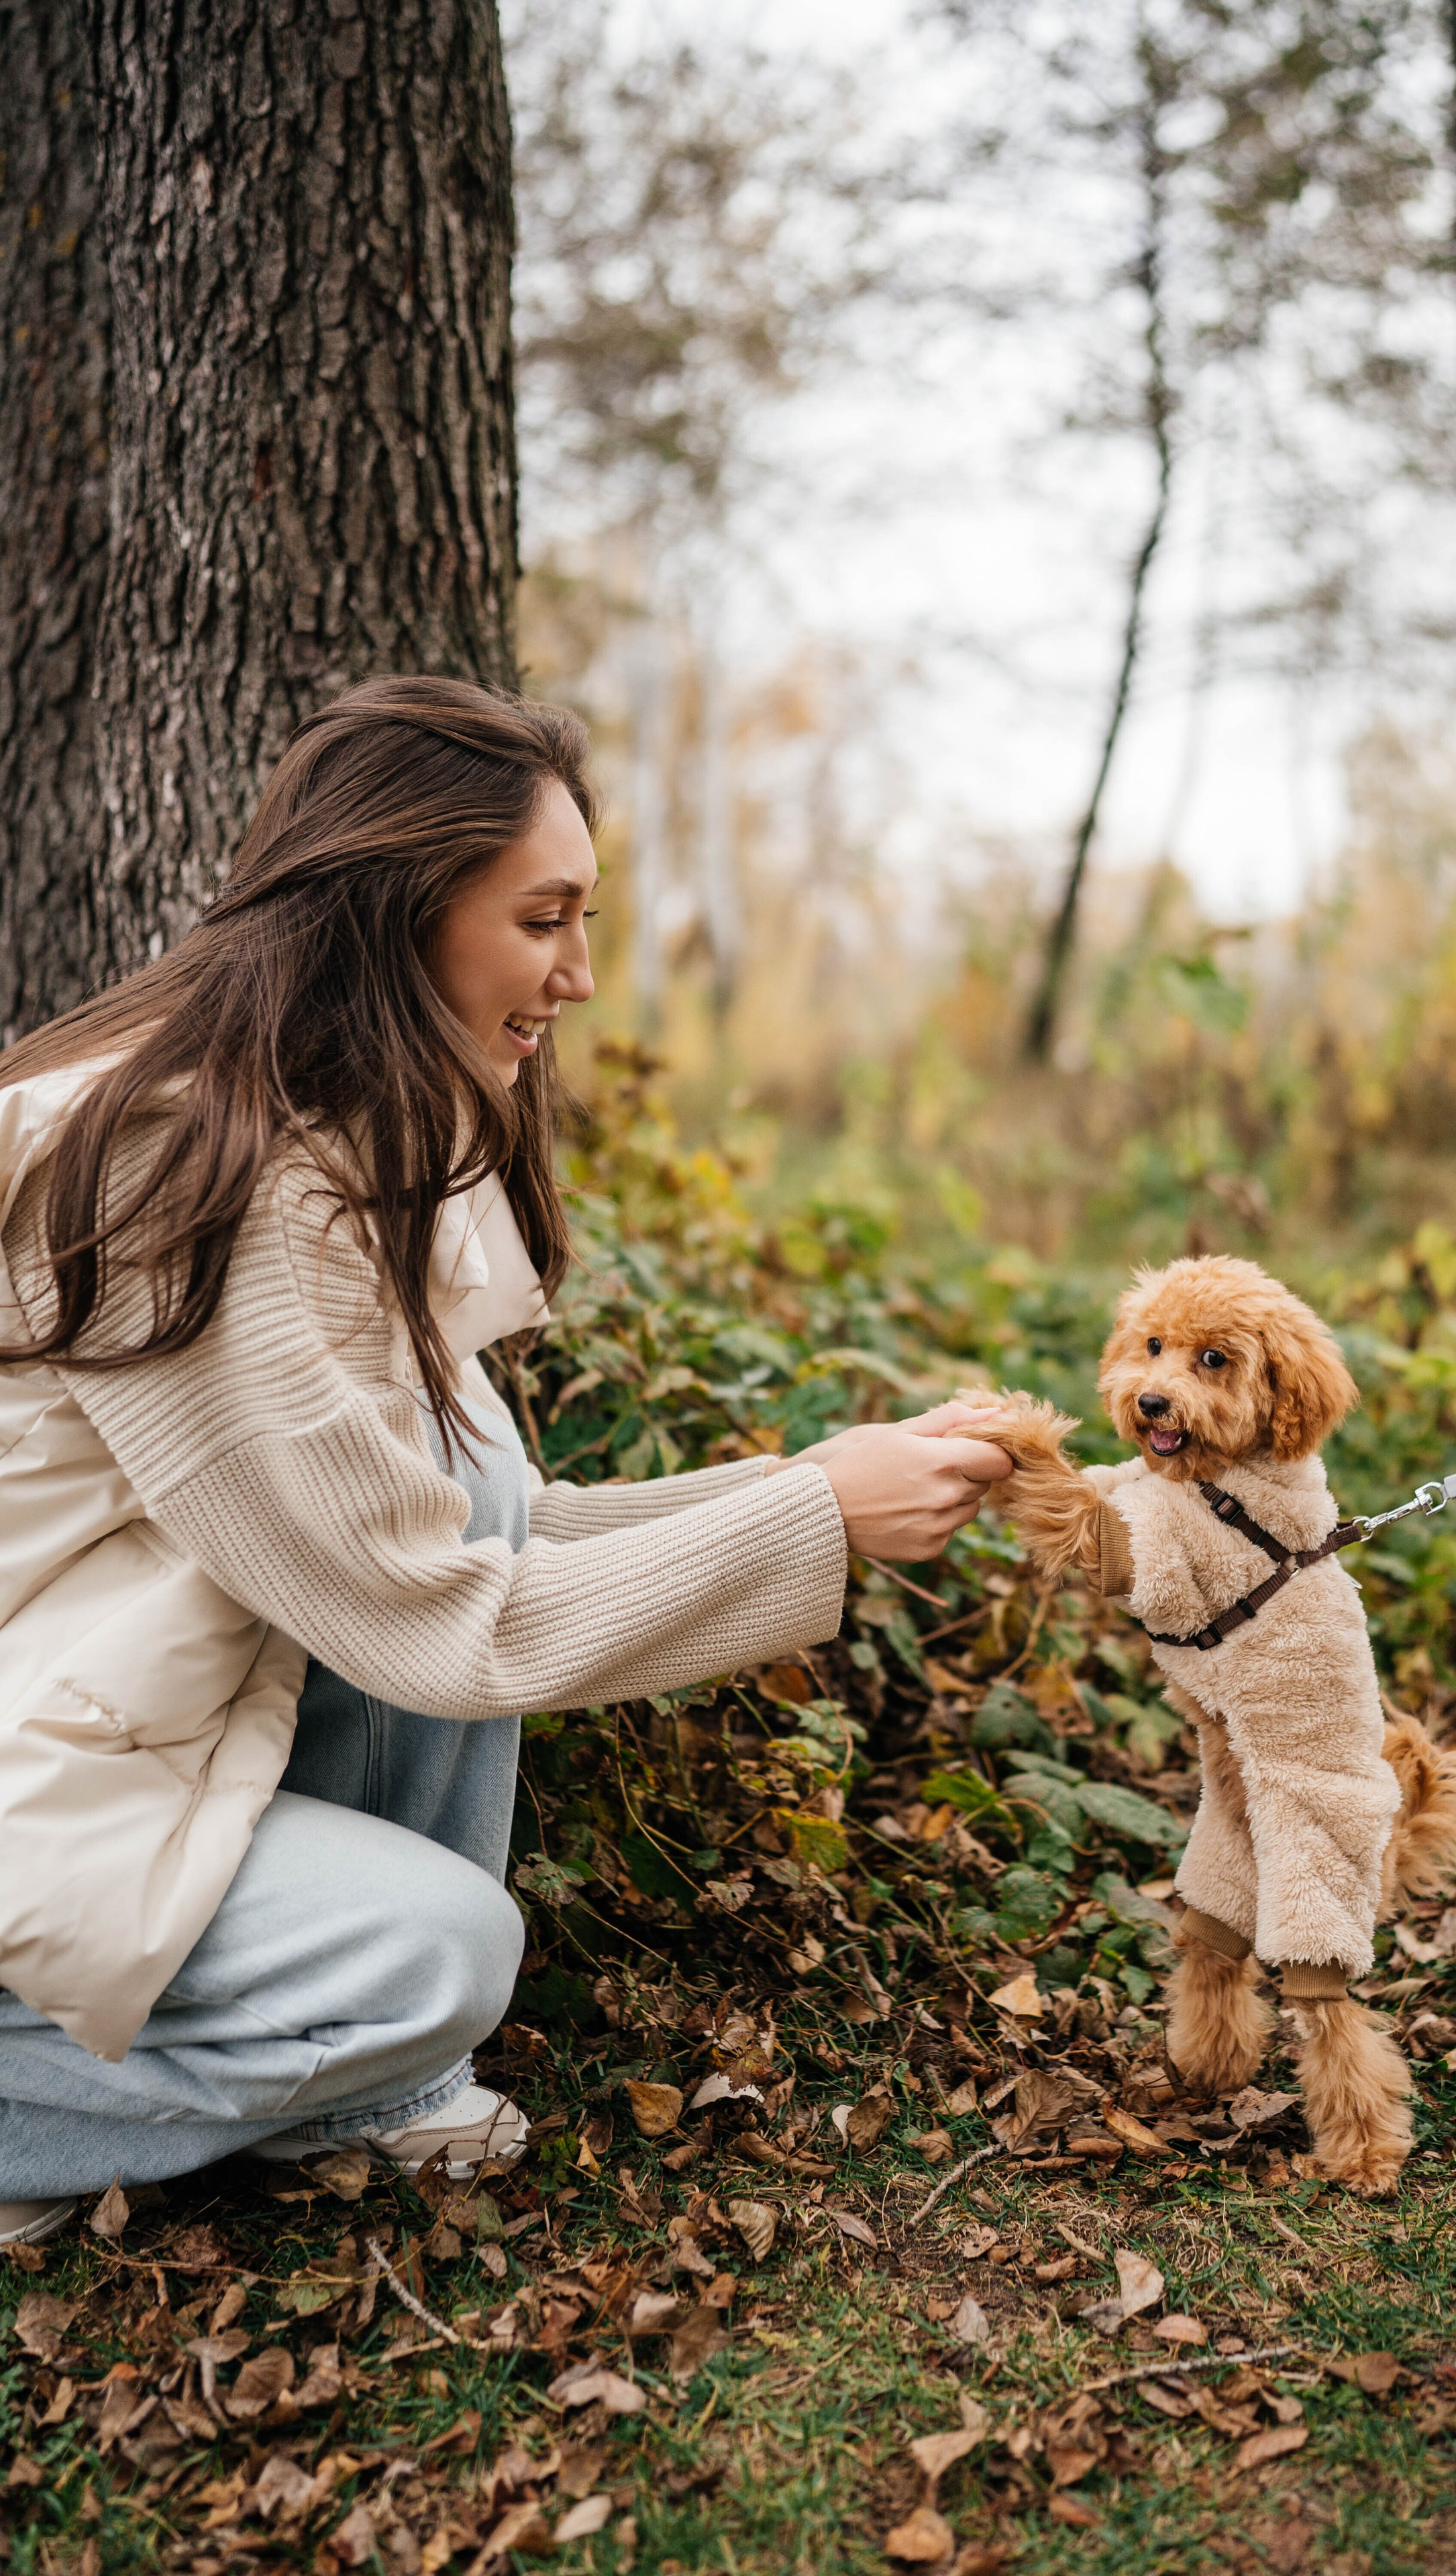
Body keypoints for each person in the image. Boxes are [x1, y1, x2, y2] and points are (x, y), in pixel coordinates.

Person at [0, 677, 1012, 2244]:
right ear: (401, 910)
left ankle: (361, 2087)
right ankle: (48, 2116)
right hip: (38, 1774)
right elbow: (450, 1621)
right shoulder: (198, 1174)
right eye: (544, 920)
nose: (582, 975)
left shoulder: (305, 1138)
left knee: (468, 1463)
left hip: (111, 1725)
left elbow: (486, 1531)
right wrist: (817, 1516)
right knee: (442, 1955)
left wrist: (807, 1484)